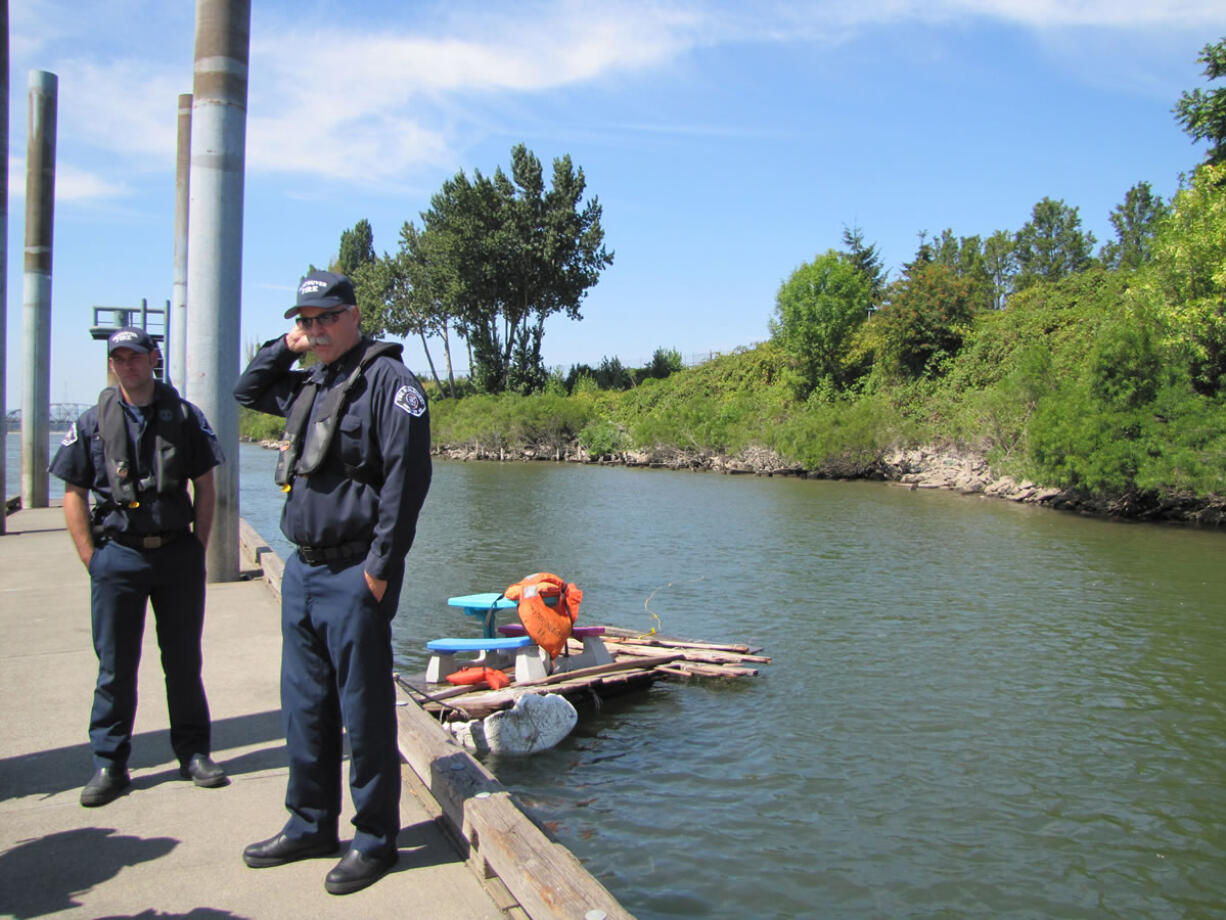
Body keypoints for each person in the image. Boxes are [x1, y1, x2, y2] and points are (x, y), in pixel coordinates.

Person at [233, 270, 431, 896]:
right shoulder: (312, 383)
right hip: (304, 570)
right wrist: (287, 345)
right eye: (306, 320)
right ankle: (311, 824)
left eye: (325, 318)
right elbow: (247, 390)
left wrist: (379, 570)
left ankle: (375, 840)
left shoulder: (390, 383)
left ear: (353, 314)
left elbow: (406, 483)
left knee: (364, 712)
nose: (315, 329)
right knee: (305, 708)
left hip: (354, 575)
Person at [50, 326, 228, 807]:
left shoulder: (186, 417)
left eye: (136, 356)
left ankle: (193, 753)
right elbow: (73, 492)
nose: (127, 365)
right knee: (115, 667)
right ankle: (111, 763)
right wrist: (92, 558)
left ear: (155, 359)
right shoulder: (90, 423)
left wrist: (198, 546)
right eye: (119, 358)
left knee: (184, 662)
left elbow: (206, 486)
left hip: (176, 555)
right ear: (112, 365)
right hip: (118, 557)